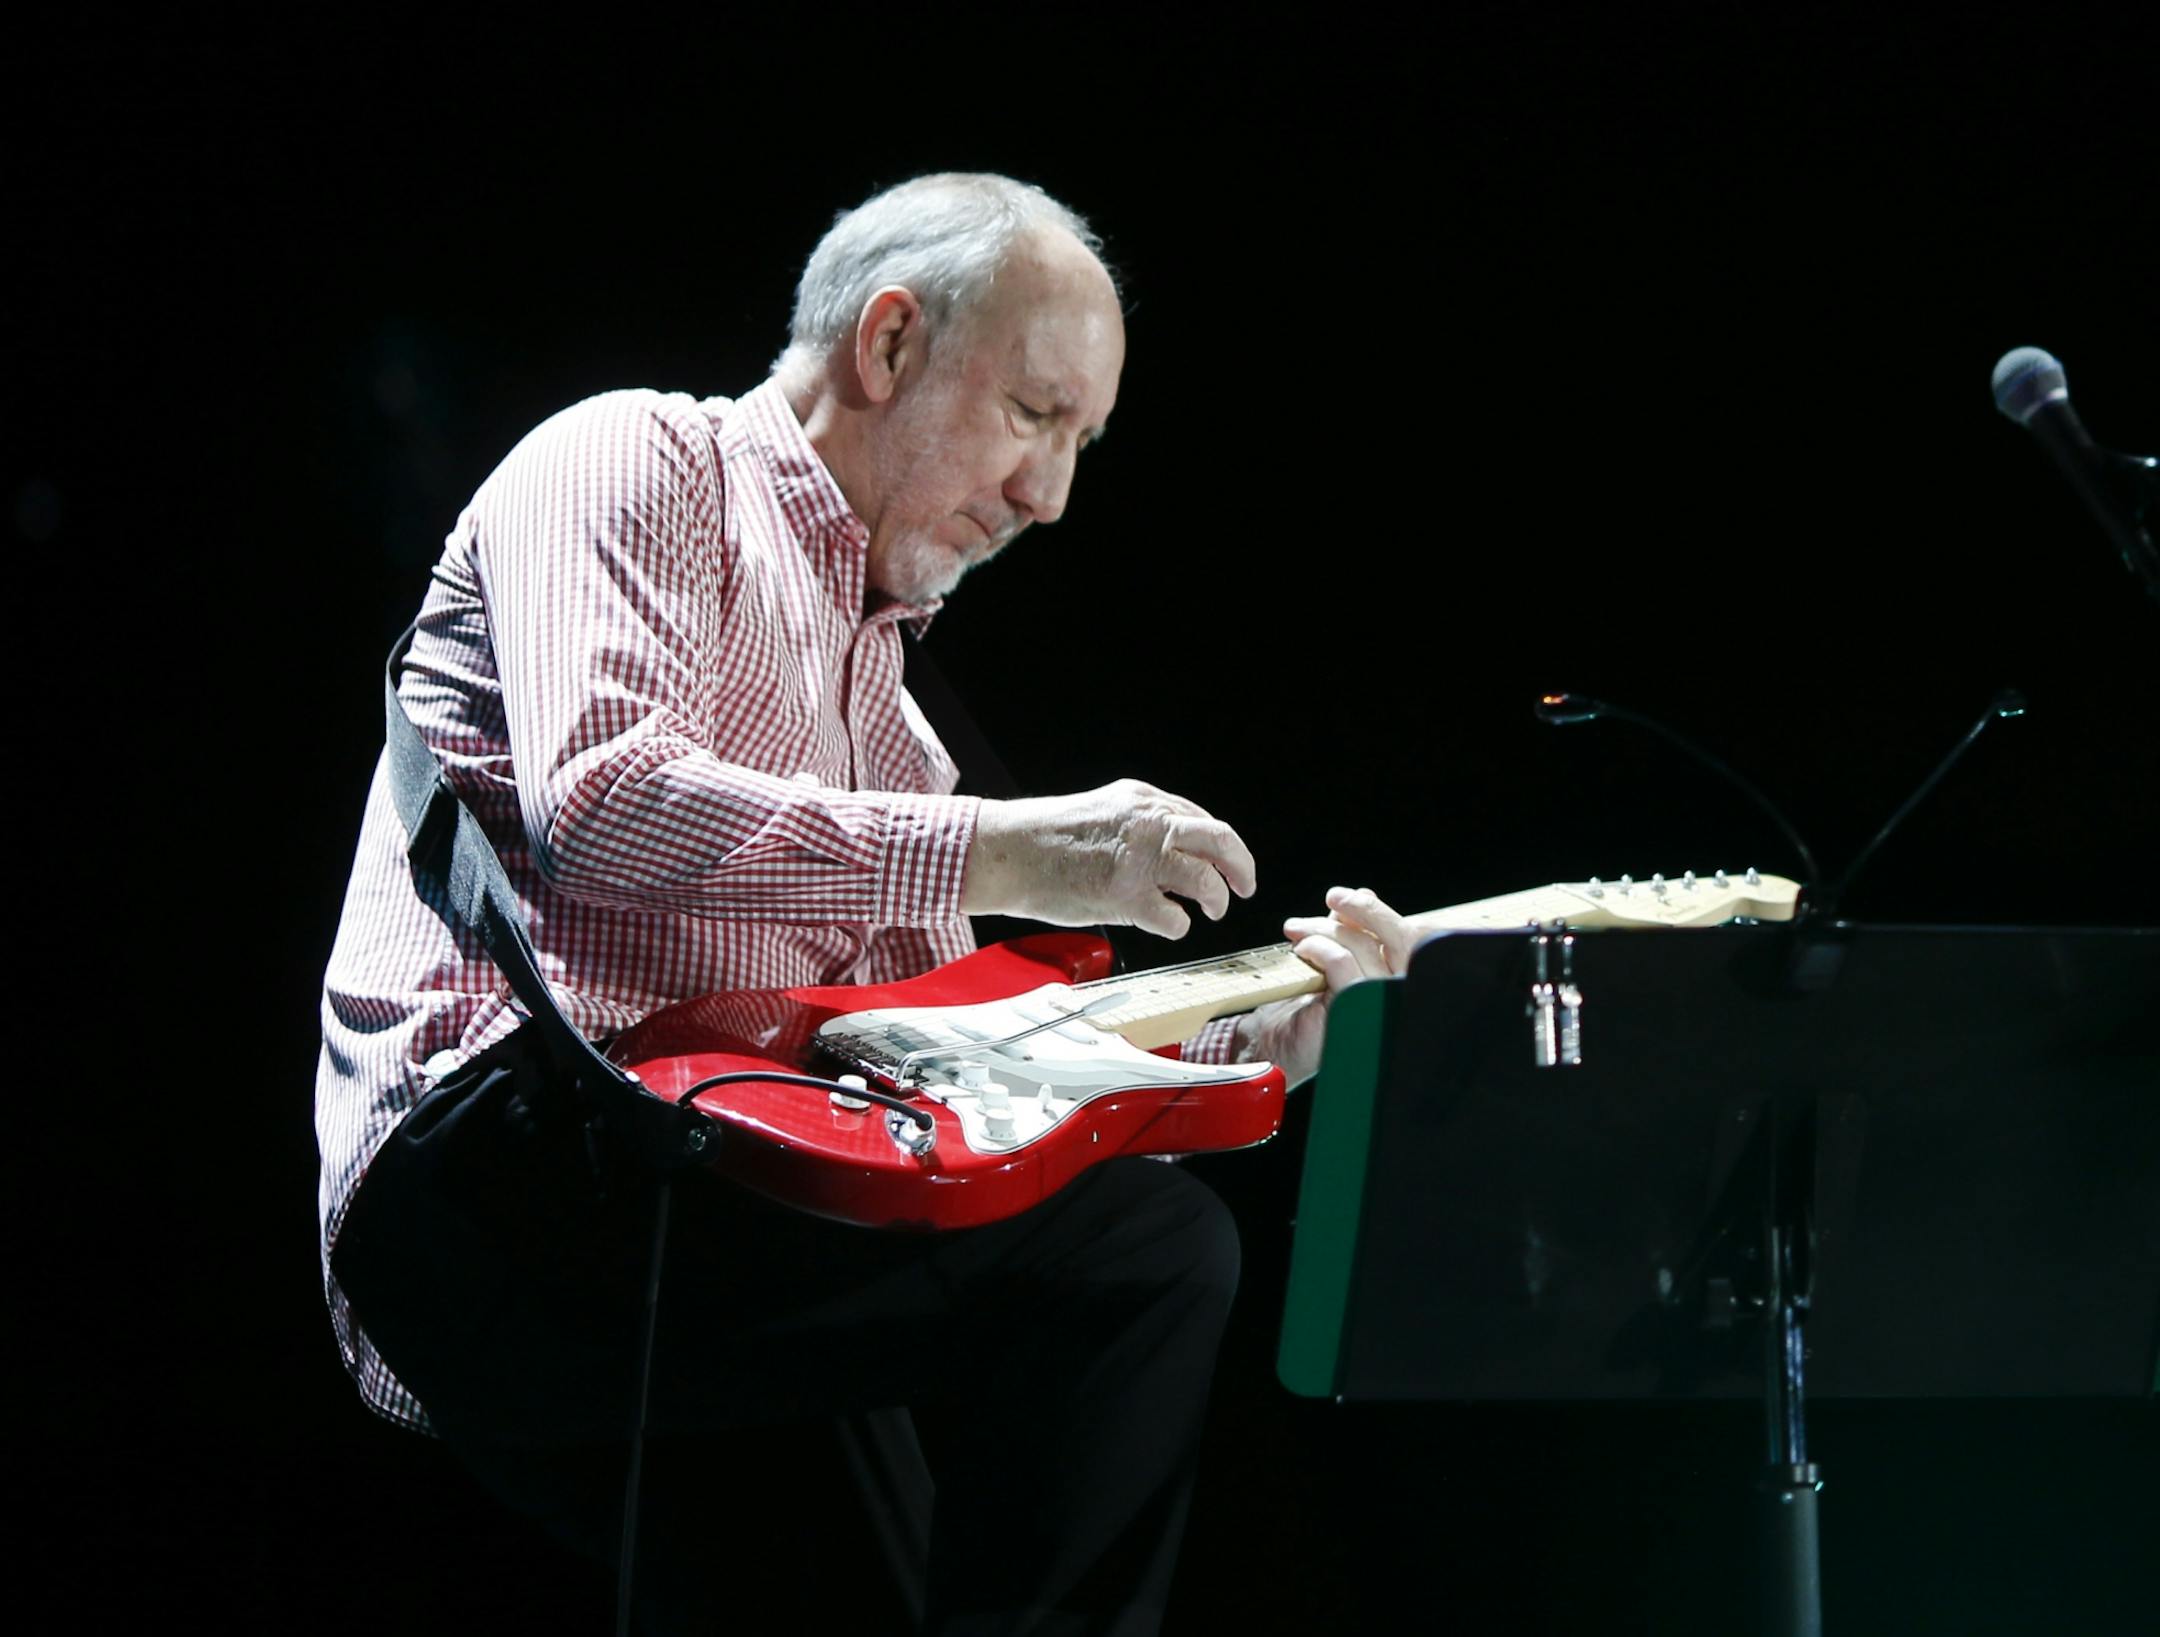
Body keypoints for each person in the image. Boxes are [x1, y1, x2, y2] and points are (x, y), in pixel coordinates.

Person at [317, 172, 1418, 1634]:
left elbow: (966, 1087)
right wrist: (1007, 852)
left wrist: (1275, 1044)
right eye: (1034, 415)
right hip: (511, 1176)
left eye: (1081, 445)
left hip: (723, 1182)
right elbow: (600, 806)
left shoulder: (895, 736)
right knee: (1149, 1256)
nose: (1053, 495)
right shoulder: (635, 461)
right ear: (888, 343)